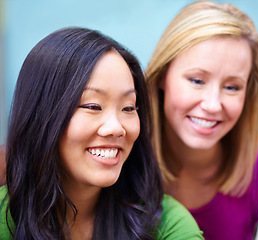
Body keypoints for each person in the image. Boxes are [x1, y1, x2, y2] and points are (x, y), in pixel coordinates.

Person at [0, 27, 203, 239]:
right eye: (93, 106)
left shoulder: (165, 224)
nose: (116, 127)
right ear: (41, 114)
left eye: (128, 108)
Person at [145, 1, 258, 240]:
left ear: (248, 93)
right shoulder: (124, 157)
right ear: (161, 76)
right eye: (197, 81)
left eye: (231, 87)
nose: (212, 105)